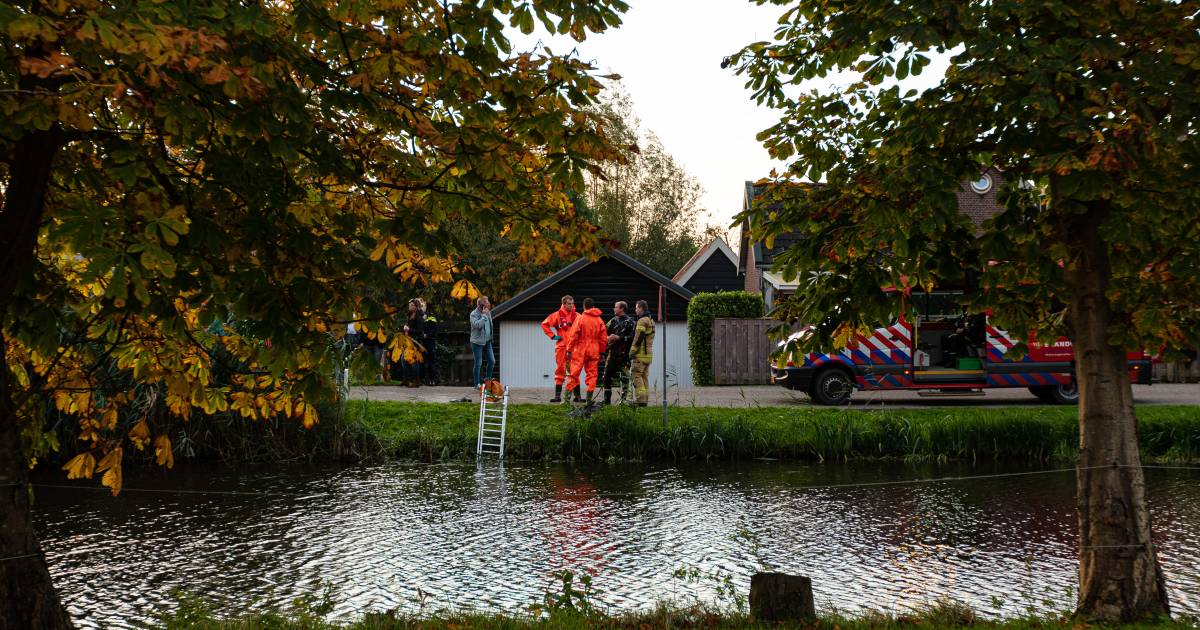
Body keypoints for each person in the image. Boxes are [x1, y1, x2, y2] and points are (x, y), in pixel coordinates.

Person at [564, 297, 607, 404]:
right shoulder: (599, 320)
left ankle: (566, 400)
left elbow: (573, 335)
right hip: (594, 350)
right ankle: (589, 400)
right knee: (592, 375)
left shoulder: (580, 318)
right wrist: (602, 353)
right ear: (593, 306)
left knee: (574, 374)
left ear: (584, 306)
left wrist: (569, 350)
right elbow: (603, 339)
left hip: (580, 349)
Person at [541, 295, 578, 403]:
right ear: (564, 304)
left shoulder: (577, 316)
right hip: (561, 347)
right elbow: (544, 324)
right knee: (560, 370)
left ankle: (578, 396)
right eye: (569, 304)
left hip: (574, 347)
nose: (571, 305)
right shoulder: (557, 315)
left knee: (574, 370)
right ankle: (557, 397)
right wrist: (553, 336)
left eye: (572, 303)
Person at [602, 300, 636, 405]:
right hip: (612, 354)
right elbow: (603, 333)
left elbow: (632, 338)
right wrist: (607, 338)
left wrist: (619, 337)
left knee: (625, 377)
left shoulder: (630, 322)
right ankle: (606, 401)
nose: (614, 309)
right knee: (606, 376)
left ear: (622, 309)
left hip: (624, 355)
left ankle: (623, 400)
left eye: (616, 307)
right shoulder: (613, 321)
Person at [629, 300, 655, 407]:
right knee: (644, 377)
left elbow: (638, 338)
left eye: (636, 308)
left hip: (640, 355)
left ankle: (640, 400)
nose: (635, 310)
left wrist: (632, 351)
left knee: (636, 375)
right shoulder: (651, 320)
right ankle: (645, 400)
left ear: (641, 308)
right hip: (648, 355)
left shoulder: (642, 321)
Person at [469, 295, 494, 389]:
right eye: (487, 302)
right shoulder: (473, 314)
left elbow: (490, 325)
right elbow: (477, 325)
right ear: (482, 305)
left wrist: (490, 337)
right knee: (478, 363)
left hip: (487, 341)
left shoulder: (488, 312)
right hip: (477, 342)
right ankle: (477, 384)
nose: (489, 304)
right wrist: (483, 316)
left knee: (492, 361)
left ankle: (488, 381)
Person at [420, 300, 439, 386]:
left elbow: (434, 330)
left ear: (426, 306)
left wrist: (426, 335)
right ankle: (424, 380)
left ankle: (432, 380)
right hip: (421, 342)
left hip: (430, 341)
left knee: (431, 362)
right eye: (420, 306)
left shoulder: (431, 316)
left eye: (422, 305)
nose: (421, 307)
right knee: (423, 362)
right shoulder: (418, 316)